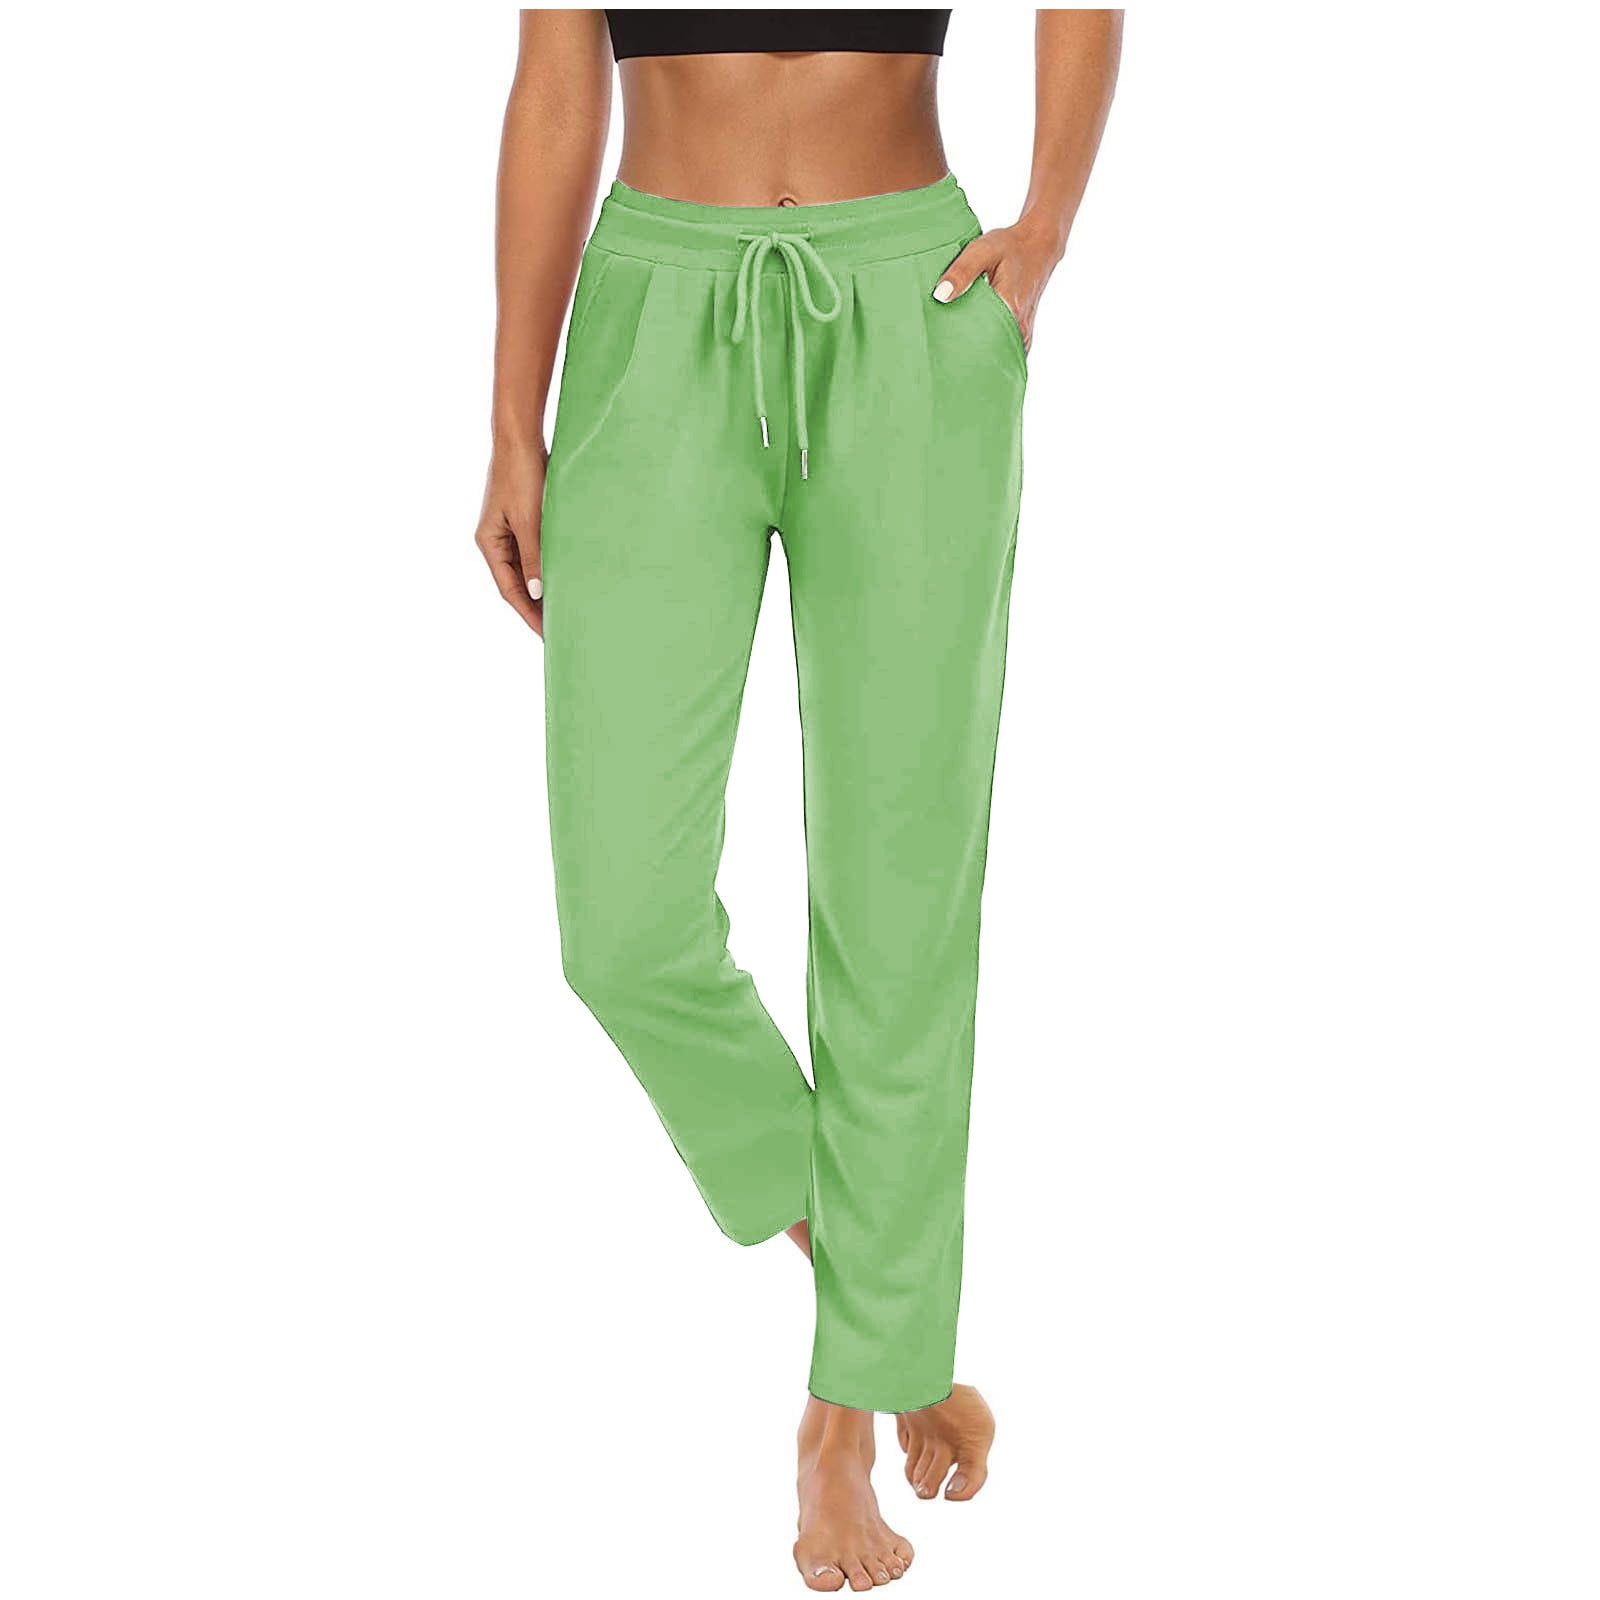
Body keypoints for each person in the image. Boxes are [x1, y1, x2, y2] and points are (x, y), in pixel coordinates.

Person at [474, 10, 1121, 1590]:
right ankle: (881, 1304)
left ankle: (841, 1419)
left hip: (912, 304)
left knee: (899, 907)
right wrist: (511, 419)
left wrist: (1045, 224)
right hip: (652, 313)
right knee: (624, 928)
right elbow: (556, 79)